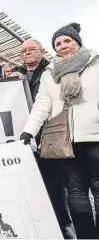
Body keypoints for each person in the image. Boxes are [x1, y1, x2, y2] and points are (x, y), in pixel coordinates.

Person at [21, 23, 99, 239]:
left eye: (67, 41)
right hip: (66, 142)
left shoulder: (95, 64)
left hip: (94, 138)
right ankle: (86, 236)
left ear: (77, 42)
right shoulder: (50, 73)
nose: (63, 46)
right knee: (76, 192)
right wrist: (29, 130)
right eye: (58, 43)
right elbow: (42, 105)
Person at [20, 38, 74, 239]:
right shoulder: (18, 75)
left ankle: (65, 229)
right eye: (23, 51)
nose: (27, 53)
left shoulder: (53, 71)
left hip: (50, 137)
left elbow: (47, 106)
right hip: (27, 138)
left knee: (56, 187)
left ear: (42, 51)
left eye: (31, 49)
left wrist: (45, 133)